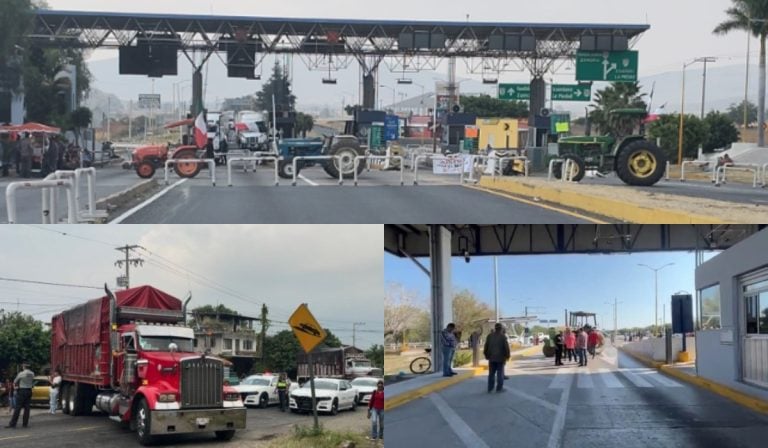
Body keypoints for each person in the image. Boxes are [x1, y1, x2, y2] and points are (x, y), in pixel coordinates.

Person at [483, 323, 511, 393]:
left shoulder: (489, 336)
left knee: (491, 374)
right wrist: (507, 356)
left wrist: (486, 355)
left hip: (491, 358)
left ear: (495, 328)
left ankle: (490, 388)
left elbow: (486, 346)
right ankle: (499, 388)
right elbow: (506, 348)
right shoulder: (503, 337)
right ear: (501, 329)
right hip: (500, 358)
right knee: (500, 373)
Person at [6, 362, 34, 428]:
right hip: (29, 390)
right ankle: (25, 424)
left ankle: (13, 423)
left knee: (18, 408)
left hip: (22, 391)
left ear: (24, 367)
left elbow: (15, 381)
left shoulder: (21, 373)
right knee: (27, 408)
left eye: (23, 366)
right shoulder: (32, 373)